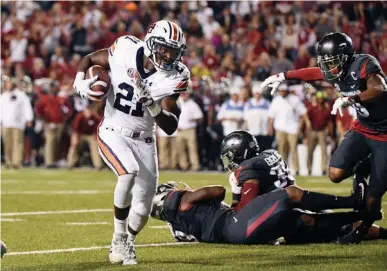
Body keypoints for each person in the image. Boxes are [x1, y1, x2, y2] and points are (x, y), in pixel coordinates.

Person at [72, 20, 190, 265]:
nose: (168, 55)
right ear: (150, 42)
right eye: (164, 48)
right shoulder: (125, 49)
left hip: (145, 140)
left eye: (173, 51)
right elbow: (90, 59)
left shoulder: (174, 76)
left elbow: (170, 126)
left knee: (143, 210)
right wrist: (80, 81)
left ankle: (127, 243)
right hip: (114, 130)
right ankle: (118, 237)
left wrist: (153, 106)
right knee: (128, 173)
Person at [260, 32, 387, 244]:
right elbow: (313, 73)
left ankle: (362, 230)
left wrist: (351, 98)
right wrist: (283, 76)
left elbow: (380, 88)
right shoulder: (331, 71)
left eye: (333, 62)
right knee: (335, 173)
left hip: (384, 134)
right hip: (363, 128)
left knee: (373, 199)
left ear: (346, 57)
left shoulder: (364, 63)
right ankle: (364, 166)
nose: (329, 68)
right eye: (326, 62)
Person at [150, 182, 386, 245]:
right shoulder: (180, 201)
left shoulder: (177, 226)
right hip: (234, 224)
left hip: (239, 235)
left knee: (304, 222)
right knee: (290, 195)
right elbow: (218, 191)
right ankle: (354, 202)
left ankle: (369, 219)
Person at [220, 130, 364, 213]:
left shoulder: (247, 168)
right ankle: (358, 205)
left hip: (285, 212)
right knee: (344, 224)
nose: (230, 161)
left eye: (231, 156)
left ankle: (355, 203)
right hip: (302, 203)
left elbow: (245, 210)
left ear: (241, 153)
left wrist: (235, 190)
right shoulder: (270, 153)